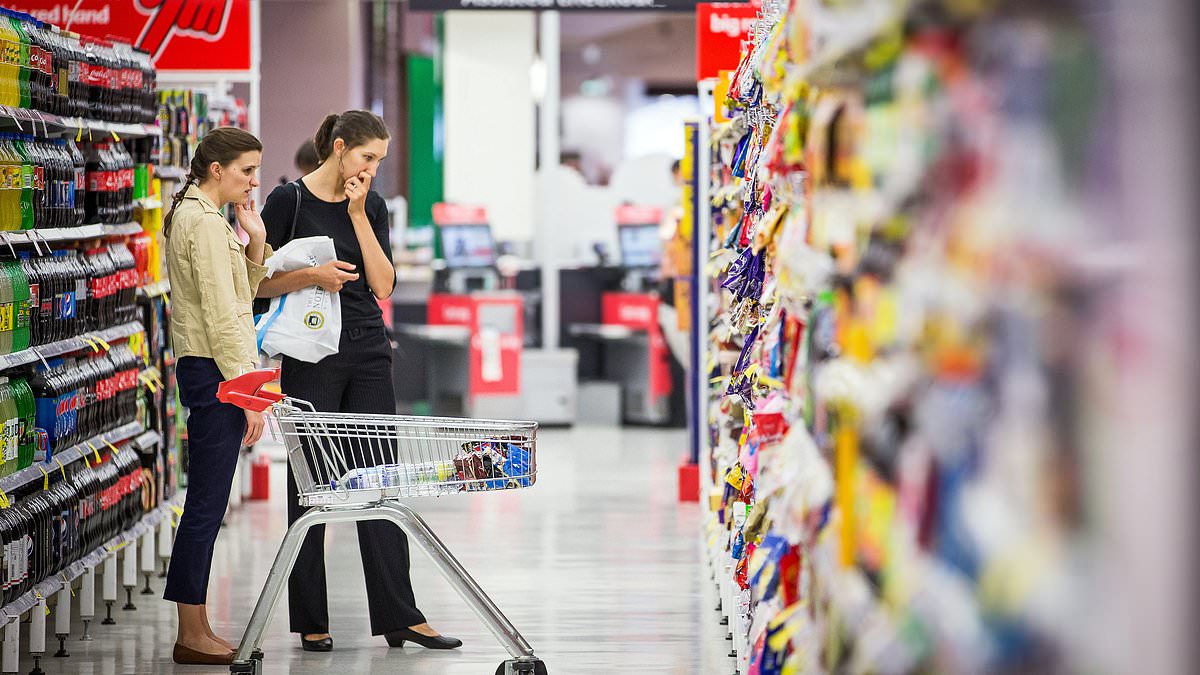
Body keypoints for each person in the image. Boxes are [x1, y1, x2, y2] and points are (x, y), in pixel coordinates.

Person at [257, 110, 461, 653]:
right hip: (310, 351)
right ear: (340, 147)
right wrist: (312, 276)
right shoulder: (288, 202)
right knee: (311, 487)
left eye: (379, 161)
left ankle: (400, 615)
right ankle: (311, 619)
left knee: (380, 482)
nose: (373, 168)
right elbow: (257, 282)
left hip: (369, 346)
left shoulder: (371, 204)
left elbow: (384, 284)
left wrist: (358, 215)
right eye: (368, 157)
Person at [162, 127, 272, 666]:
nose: (253, 181)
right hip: (213, 372)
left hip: (213, 368)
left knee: (209, 501)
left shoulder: (209, 218)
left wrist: (254, 240)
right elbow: (222, 315)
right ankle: (190, 631)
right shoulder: (201, 223)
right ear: (216, 169)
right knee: (206, 503)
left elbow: (239, 296)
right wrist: (246, 389)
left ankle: (198, 624)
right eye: (246, 170)